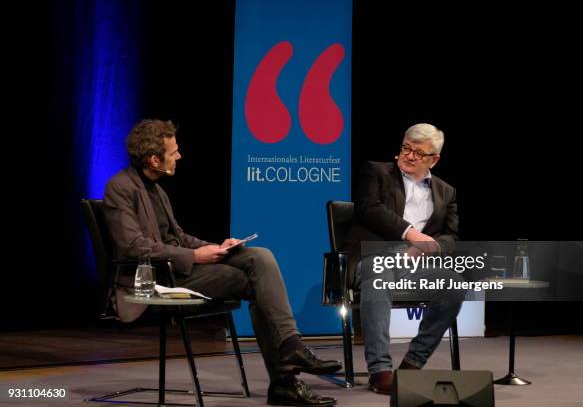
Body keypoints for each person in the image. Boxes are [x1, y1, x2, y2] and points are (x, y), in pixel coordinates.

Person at [103, 119, 341, 406]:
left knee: (260, 256)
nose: (180, 156)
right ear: (154, 159)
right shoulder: (120, 187)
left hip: (177, 269)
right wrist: (193, 256)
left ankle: (290, 352)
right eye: (174, 151)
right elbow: (132, 247)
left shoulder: (157, 190)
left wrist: (213, 247)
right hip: (152, 281)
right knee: (258, 283)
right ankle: (285, 376)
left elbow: (177, 236)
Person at [342, 123, 465, 395]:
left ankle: (412, 365)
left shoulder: (447, 192)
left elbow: (451, 237)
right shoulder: (375, 171)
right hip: (372, 258)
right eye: (406, 148)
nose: (409, 156)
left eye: (419, 153)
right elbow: (369, 209)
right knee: (380, 270)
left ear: (434, 159)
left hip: (415, 264)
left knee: (454, 285)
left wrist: (426, 248)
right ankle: (380, 371)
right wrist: (412, 235)